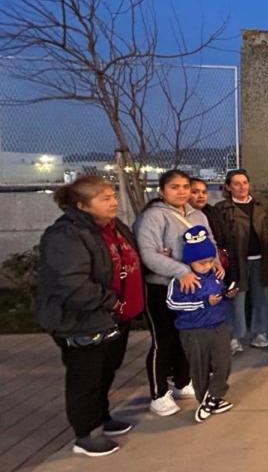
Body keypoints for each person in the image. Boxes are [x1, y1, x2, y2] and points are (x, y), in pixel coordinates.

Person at [33, 176, 143, 457]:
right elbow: (72, 284)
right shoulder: (66, 235)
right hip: (81, 319)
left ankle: (102, 416)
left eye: (113, 195)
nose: (113, 202)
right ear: (82, 205)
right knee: (86, 375)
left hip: (113, 314)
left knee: (107, 368)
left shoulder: (112, 226)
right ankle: (86, 433)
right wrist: (112, 303)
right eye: (104, 198)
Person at [135, 169, 223, 417]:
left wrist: (215, 261)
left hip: (193, 288)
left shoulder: (198, 215)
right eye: (175, 187)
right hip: (163, 287)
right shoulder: (153, 217)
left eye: (185, 186)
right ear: (162, 191)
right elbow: (149, 254)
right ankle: (158, 393)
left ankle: (183, 381)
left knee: (187, 336)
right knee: (163, 341)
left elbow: (210, 242)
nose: (182, 191)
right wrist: (181, 271)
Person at [166, 225, 237, 423]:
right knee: (199, 366)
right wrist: (203, 302)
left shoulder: (215, 275)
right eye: (201, 263)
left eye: (209, 261)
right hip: (193, 330)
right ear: (190, 262)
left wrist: (227, 295)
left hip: (218, 325)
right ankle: (205, 398)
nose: (207, 266)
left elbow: (220, 295)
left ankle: (214, 396)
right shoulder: (181, 280)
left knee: (224, 363)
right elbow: (172, 303)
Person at [215, 169, 268, 353]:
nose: (242, 187)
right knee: (236, 299)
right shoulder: (222, 208)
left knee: (262, 298)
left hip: (261, 259)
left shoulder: (261, 206)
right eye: (236, 183)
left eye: (245, 182)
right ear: (228, 186)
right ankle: (234, 336)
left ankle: (260, 333)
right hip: (236, 261)